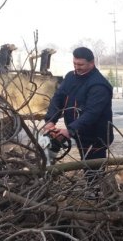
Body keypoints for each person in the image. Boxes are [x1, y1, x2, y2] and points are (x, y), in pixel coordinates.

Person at [43, 47, 113, 192]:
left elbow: (91, 114)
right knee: (46, 143)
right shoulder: (70, 77)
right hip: (76, 129)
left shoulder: (99, 85)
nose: (76, 67)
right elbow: (58, 98)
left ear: (92, 63)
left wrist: (70, 130)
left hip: (95, 135)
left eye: (80, 65)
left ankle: (96, 196)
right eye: (74, 63)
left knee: (92, 168)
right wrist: (50, 121)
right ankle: (43, 180)